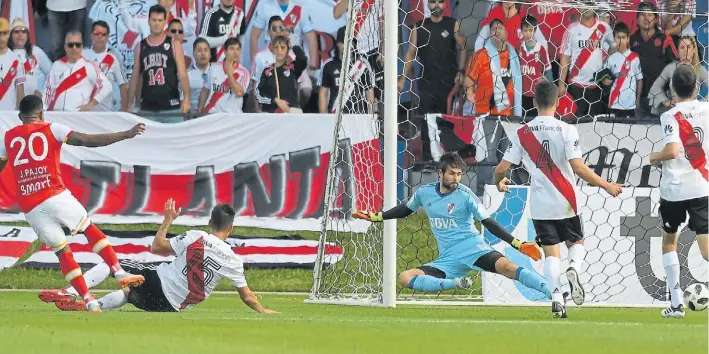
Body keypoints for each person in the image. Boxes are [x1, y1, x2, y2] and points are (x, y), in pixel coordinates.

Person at [0, 95, 146, 313]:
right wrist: (126, 134)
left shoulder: (8, 137)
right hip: (55, 194)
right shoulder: (52, 128)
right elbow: (86, 140)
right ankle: (118, 272)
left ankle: (89, 300)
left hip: (30, 207)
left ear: (20, 116)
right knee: (88, 228)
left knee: (62, 252)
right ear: (41, 113)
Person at [494, 81, 623, 318]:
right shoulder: (567, 130)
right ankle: (573, 268)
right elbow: (578, 167)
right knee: (576, 244)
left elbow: (502, 167)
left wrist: (498, 180)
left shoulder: (522, 132)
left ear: (534, 103)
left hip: (541, 204)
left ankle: (556, 298)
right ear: (557, 103)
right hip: (567, 199)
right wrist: (606, 185)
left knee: (551, 253)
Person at [354, 152, 549, 299]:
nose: (456, 178)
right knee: (405, 277)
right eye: (452, 173)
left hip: (474, 249)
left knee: (507, 267)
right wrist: (376, 217)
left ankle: (552, 292)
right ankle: (455, 283)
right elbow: (405, 209)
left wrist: (517, 244)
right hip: (448, 260)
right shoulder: (424, 193)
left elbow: (488, 222)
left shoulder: (465, 195)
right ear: (440, 173)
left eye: (459, 174)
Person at [55, 200, 278, 314]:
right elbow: (247, 296)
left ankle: (73, 292)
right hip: (169, 306)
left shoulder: (196, 236)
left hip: (159, 282)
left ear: (210, 223)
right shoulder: (233, 260)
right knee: (128, 292)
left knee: (113, 263)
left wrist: (168, 219)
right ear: (231, 229)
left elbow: (156, 247)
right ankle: (93, 306)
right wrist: (262, 310)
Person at [649, 65, 709, 319]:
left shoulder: (670, 115)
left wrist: (655, 157)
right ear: (697, 87)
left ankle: (675, 305)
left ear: (672, 88)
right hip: (701, 185)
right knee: (706, 251)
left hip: (674, 190)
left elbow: (672, 151)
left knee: (669, 242)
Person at [128, 5, 191, 121]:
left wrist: (186, 98)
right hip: (147, 108)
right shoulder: (140, 47)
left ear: (165, 22)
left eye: (160, 20)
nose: (157, 23)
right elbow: (135, 77)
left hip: (171, 107)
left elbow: (182, 74)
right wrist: (129, 104)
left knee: (174, 139)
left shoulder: (174, 44)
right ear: (148, 21)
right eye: (154, 20)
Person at [558, 7, 615, 119]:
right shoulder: (571, 29)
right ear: (579, 7)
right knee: (575, 125)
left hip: (596, 87)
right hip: (575, 86)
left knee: (595, 127)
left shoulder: (604, 27)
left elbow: (613, 46)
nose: (587, 7)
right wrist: (561, 84)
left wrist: (604, 61)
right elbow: (564, 58)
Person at [464, 19, 522, 118]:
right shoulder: (481, 55)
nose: (497, 31)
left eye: (500, 28)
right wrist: (469, 93)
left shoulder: (515, 56)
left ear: (506, 33)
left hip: (508, 114)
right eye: (493, 29)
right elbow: (469, 78)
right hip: (485, 113)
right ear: (490, 34)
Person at [43, 31, 111, 112]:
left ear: (82, 47)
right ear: (65, 47)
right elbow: (48, 91)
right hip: (57, 115)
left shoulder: (89, 66)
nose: (74, 48)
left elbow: (107, 86)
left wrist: (90, 105)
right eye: (71, 45)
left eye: (77, 45)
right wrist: (43, 110)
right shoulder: (56, 65)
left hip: (77, 116)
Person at [318, 26, 375, 114]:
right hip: (334, 116)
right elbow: (323, 92)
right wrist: (323, 117)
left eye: (350, 42)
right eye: (344, 42)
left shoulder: (363, 64)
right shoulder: (328, 65)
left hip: (357, 116)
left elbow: (369, 91)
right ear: (337, 44)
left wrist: (371, 116)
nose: (348, 45)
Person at [649, 36, 708, 115]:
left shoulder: (699, 69)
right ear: (678, 51)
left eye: (689, 47)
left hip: (693, 114)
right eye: (682, 47)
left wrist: (700, 106)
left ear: (694, 50)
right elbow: (656, 87)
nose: (685, 50)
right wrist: (665, 101)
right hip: (674, 112)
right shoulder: (670, 68)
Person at [83, 21, 129, 112]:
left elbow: (123, 85)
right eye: (97, 34)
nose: (100, 37)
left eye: (103, 34)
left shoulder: (113, 58)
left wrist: (124, 110)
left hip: (106, 113)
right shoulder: (82, 55)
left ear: (107, 37)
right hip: (84, 113)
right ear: (91, 36)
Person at [255, 36, 307, 113]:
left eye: (282, 47)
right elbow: (259, 93)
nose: (279, 50)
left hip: (291, 111)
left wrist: (294, 46)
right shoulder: (267, 71)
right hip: (272, 112)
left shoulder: (293, 68)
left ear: (287, 50)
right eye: (276, 47)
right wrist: (275, 100)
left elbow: (303, 59)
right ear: (273, 50)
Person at [199, 37, 249, 113]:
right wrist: (200, 111)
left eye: (238, 49)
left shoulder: (244, 73)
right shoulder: (213, 68)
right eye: (232, 49)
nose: (235, 52)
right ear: (225, 52)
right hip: (212, 113)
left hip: (232, 116)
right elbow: (205, 90)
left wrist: (230, 74)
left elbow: (239, 93)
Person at [604, 22, 643, 118]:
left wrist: (637, 100)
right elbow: (604, 78)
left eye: (624, 37)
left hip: (629, 105)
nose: (621, 40)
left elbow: (640, 80)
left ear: (628, 38)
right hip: (613, 103)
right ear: (614, 39)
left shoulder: (634, 58)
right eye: (618, 37)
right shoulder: (610, 58)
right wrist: (605, 81)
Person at [518, 15, 552, 118]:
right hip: (521, 93)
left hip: (536, 94)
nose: (528, 33)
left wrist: (549, 87)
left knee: (534, 120)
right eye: (525, 30)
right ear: (521, 31)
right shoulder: (518, 47)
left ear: (535, 30)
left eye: (530, 30)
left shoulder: (541, 49)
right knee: (522, 121)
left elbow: (548, 69)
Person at [9, 17, 51, 98]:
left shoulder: (36, 51)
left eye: (23, 31)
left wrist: (42, 91)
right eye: (16, 31)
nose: (20, 34)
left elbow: (51, 73)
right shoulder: (5, 53)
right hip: (9, 102)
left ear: (27, 35)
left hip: (31, 102)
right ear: (10, 35)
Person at [0, 18, 26, 111]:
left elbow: (20, 90)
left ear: (9, 34)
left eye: (5, 33)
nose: (2, 38)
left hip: (9, 115)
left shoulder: (16, 60)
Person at [187, 38, 212, 113]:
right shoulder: (187, 75)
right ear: (193, 54)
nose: (203, 53)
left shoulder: (217, 72)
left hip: (214, 116)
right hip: (193, 116)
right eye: (199, 50)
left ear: (210, 54)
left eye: (205, 50)